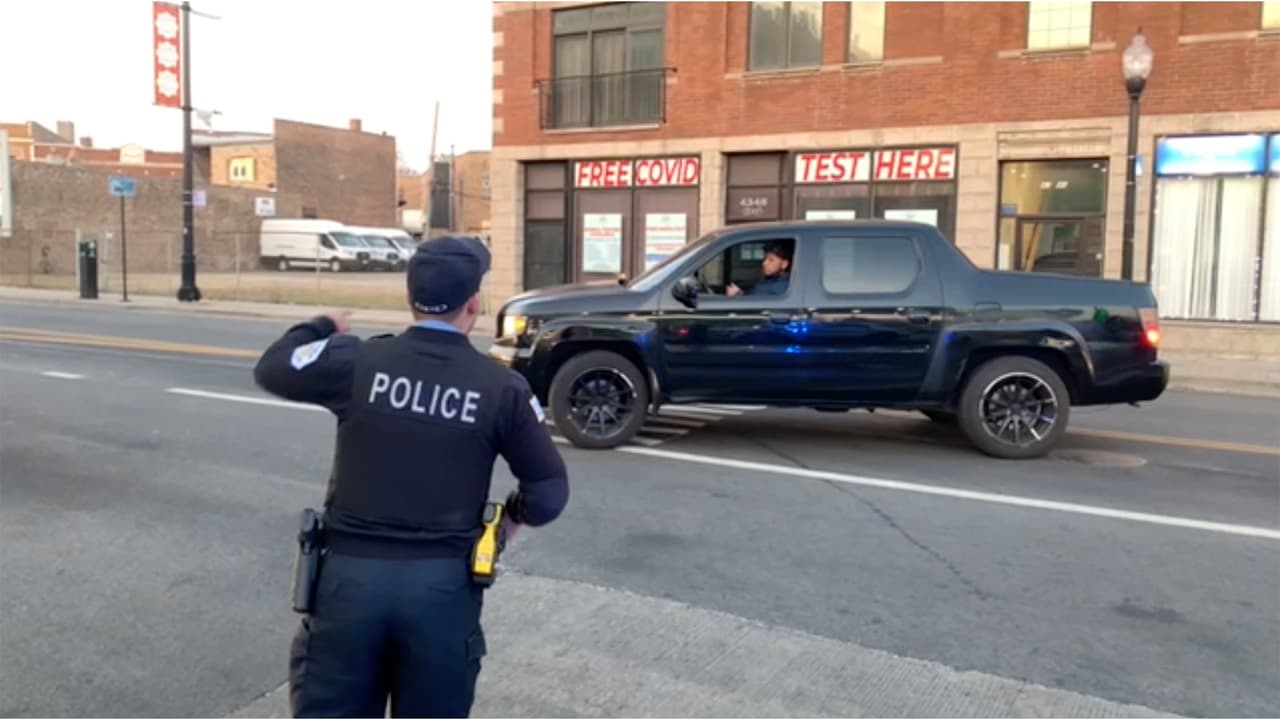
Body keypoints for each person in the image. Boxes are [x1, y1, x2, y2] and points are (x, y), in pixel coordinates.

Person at [253, 234, 569, 719]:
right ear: (474, 304)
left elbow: (274, 367)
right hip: (441, 593)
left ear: (410, 298)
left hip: (348, 586)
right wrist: (504, 528)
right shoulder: (501, 389)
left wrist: (322, 325)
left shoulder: (359, 362)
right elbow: (548, 494)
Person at [726, 241, 791, 297]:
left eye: (771, 260)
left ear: (784, 264)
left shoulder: (781, 285)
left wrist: (739, 295)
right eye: (765, 259)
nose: (764, 263)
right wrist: (740, 292)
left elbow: (756, 299)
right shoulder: (769, 280)